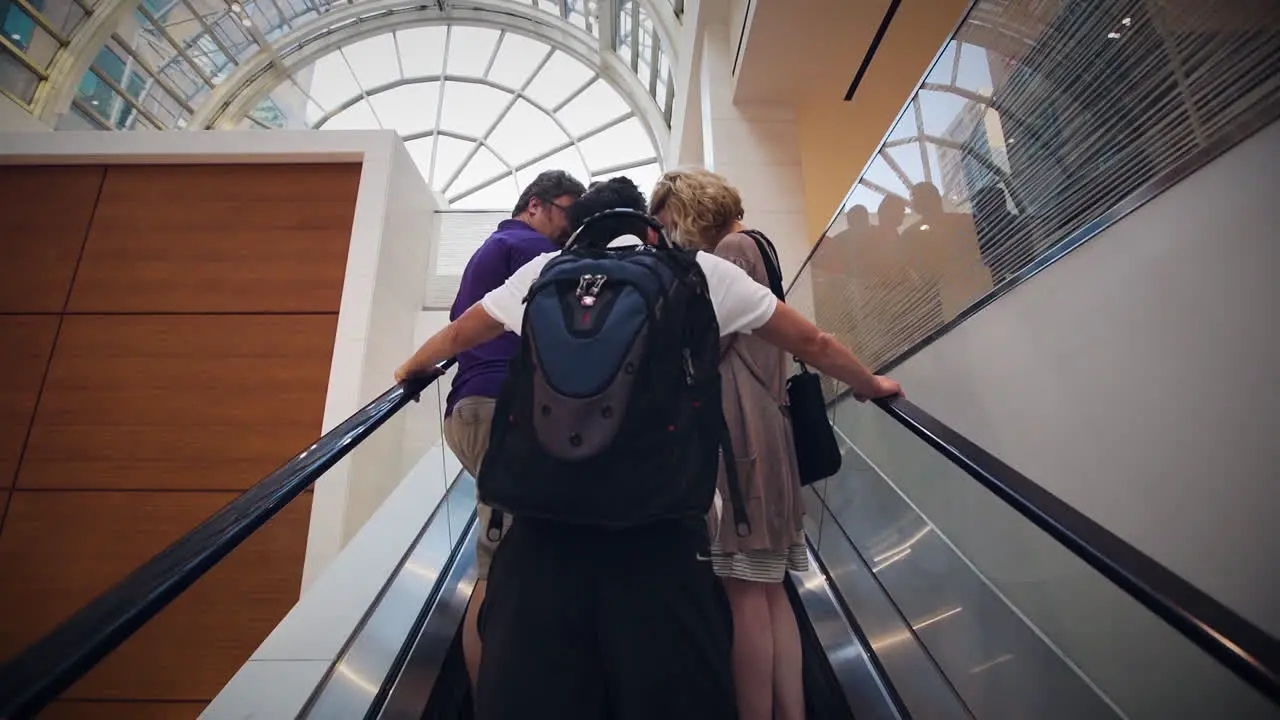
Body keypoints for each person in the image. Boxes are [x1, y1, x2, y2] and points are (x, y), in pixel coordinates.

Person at [396, 177, 902, 720]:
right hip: (662, 528)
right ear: (648, 224)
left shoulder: (543, 274)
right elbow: (812, 342)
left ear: (580, 227)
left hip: (547, 527)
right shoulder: (700, 274)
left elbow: (456, 337)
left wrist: (409, 370)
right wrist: (871, 384)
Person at [649, 167, 804, 720]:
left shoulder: (735, 249)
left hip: (743, 436)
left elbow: (710, 343)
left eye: (670, 224)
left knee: (744, 594)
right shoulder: (759, 242)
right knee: (768, 591)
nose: (670, 238)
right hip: (767, 428)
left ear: (690, 211)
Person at [440, 169, 585, 695]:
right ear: (536, 206)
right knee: (498, 565)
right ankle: (497, 697)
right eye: (569, 213)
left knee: (511, 555)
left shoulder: (490, 251)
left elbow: (463, 327)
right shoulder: (526, 248)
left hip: (474, 405)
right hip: (503, 408)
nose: (573, 228)